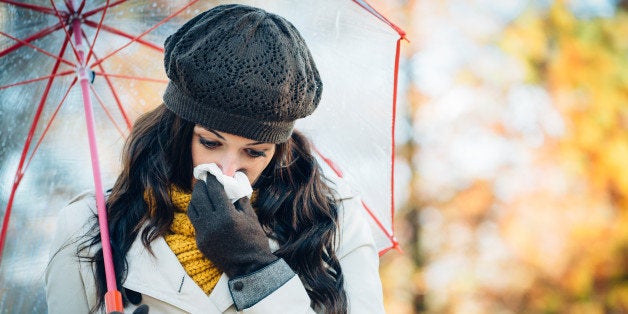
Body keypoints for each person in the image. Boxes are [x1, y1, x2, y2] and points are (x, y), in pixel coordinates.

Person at [45, 4, 384, 314]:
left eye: (255, 152)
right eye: (209, 142)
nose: (227, 169)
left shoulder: (333, 222)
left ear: (278, 150)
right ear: (178, 130)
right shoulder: (89, 229)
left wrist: (256, 270)